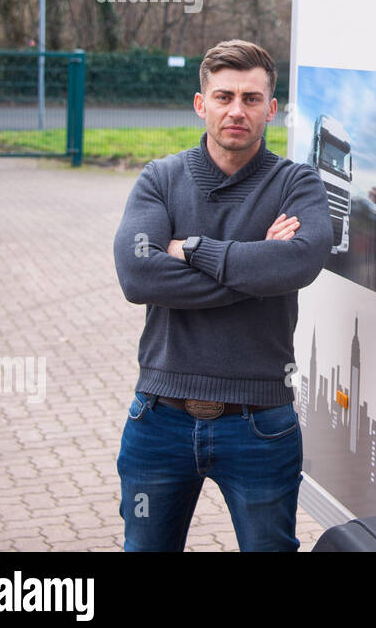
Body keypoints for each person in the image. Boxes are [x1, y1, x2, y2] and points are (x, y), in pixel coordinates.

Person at [112, 39, 332, 551]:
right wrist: (257, 267)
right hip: (159, 417)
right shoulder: (160, 179)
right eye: (224, 96)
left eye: (252, 99)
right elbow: (137, 276)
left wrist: (189, 248)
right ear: (200, 103)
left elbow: (300, 261)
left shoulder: (296, 183)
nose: (237, 110)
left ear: (271, 110)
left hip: (260, 424)